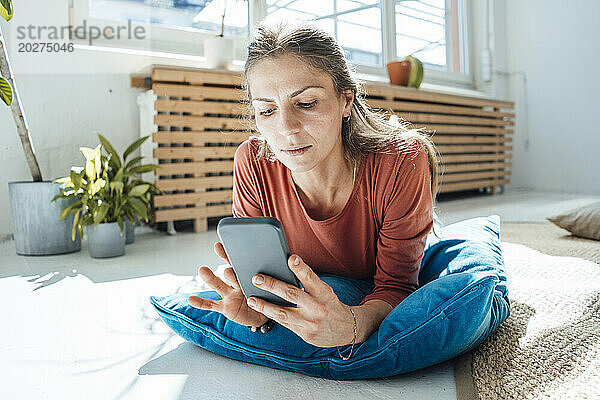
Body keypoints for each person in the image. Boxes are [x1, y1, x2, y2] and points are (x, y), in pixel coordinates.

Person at [188, 22, 440, 359]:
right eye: (266, 110)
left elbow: (396, 287)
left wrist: (353, 323)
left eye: (306, 103)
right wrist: (259, 311)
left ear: (345, 100)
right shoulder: (252, 160)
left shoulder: (402, 161)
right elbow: (262, 283)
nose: (286, 129)